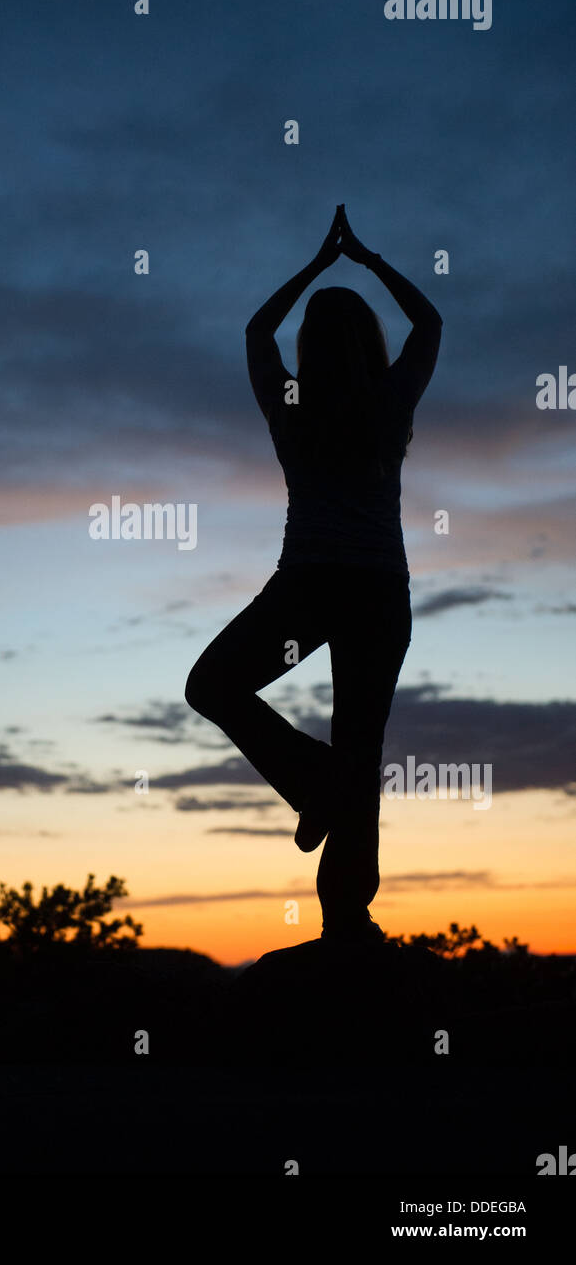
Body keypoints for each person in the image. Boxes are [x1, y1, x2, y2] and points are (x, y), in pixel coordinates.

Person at [184, 205, 442, 943]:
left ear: (310, 345)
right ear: (366, 341)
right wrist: (365, 261)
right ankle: (346, 913)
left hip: (308, 586)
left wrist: (313, 266)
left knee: (214, 687)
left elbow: (255, 333)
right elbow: (429, 326)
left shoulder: (290, 402)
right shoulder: (390, 401)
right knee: (360, 749)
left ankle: (313, 788)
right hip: (376, 595)